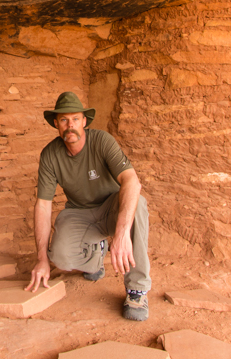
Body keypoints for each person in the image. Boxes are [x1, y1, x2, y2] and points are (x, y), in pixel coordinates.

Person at [25, 91, 151, 321]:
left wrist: (122, 234)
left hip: (111, 207)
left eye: (75, 119)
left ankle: (137, 289)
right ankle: (96, 255)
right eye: (63, 120)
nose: (69, 125)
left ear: (84, 121)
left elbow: (132, 181)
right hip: (79, 212)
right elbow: (43, 205)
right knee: (60, 256)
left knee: (138, 204)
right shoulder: (50, 154)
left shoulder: (102, 141)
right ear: (56, 124)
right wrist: (41, 258)